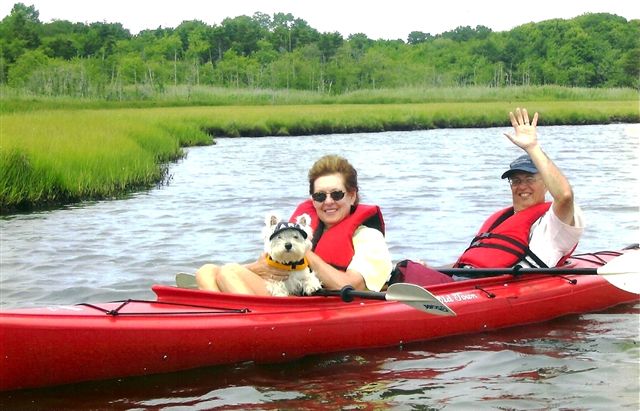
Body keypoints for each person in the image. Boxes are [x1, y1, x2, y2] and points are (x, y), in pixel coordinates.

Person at [195, 154, 392, 294]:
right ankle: (223, 318)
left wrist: (304, 251)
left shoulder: (368, 237)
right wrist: (257, 267)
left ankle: (238, 323)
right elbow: (271, 268)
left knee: (229, 272)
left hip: (315, 303)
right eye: (320, 196)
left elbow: (350, 286)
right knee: (207, 271)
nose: (328, 202)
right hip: (287, 290)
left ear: (352, 195)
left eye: (337, 194)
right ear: (313, 199)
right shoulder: (303, 229)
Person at [453, 107, 585, 269]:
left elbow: (564, 195)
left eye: (530, 179)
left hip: (509, 288)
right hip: (468, 282)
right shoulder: (499, 221)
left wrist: (532, 147)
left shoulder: (555, 224)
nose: (522, 186)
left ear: (546, 184)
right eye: (515, 181)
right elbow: (468, 263)